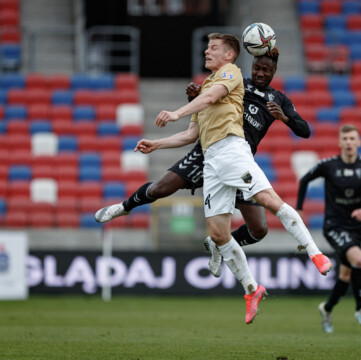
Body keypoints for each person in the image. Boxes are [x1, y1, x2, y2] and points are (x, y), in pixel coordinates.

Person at [99, 32, 332, 324]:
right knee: (171, 195)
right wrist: (160, 139)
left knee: (259, 227)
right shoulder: (229, 83)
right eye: (257, 68)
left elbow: (305, 130)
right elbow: (196, 122)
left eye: (266, 70)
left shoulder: (271, 96)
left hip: (235, 152)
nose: (260, 73)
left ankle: (312, 253)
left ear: (273, 73)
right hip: (208, 155)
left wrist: (284, 118)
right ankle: (248, 285)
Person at [296, 124, 361, 333]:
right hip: (334, 225)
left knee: (345, 275)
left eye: (353, 139)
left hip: (355, 227)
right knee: (359, 259)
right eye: (345, 139)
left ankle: (326, 308)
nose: (349, 142)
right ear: (340, 143)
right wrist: (298, 209)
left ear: (359, 143)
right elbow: (305, 179)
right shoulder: (329, 165)